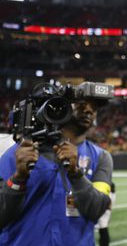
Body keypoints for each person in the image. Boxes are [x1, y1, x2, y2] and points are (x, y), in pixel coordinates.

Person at [0, 98, 113, 245]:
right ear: (61, 106)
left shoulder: (101, 157)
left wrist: (76, 173)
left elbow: (96, 210)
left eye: (94, 107)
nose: (89, 110)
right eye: (81, 104)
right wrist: (18, 178)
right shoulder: (19, 153)